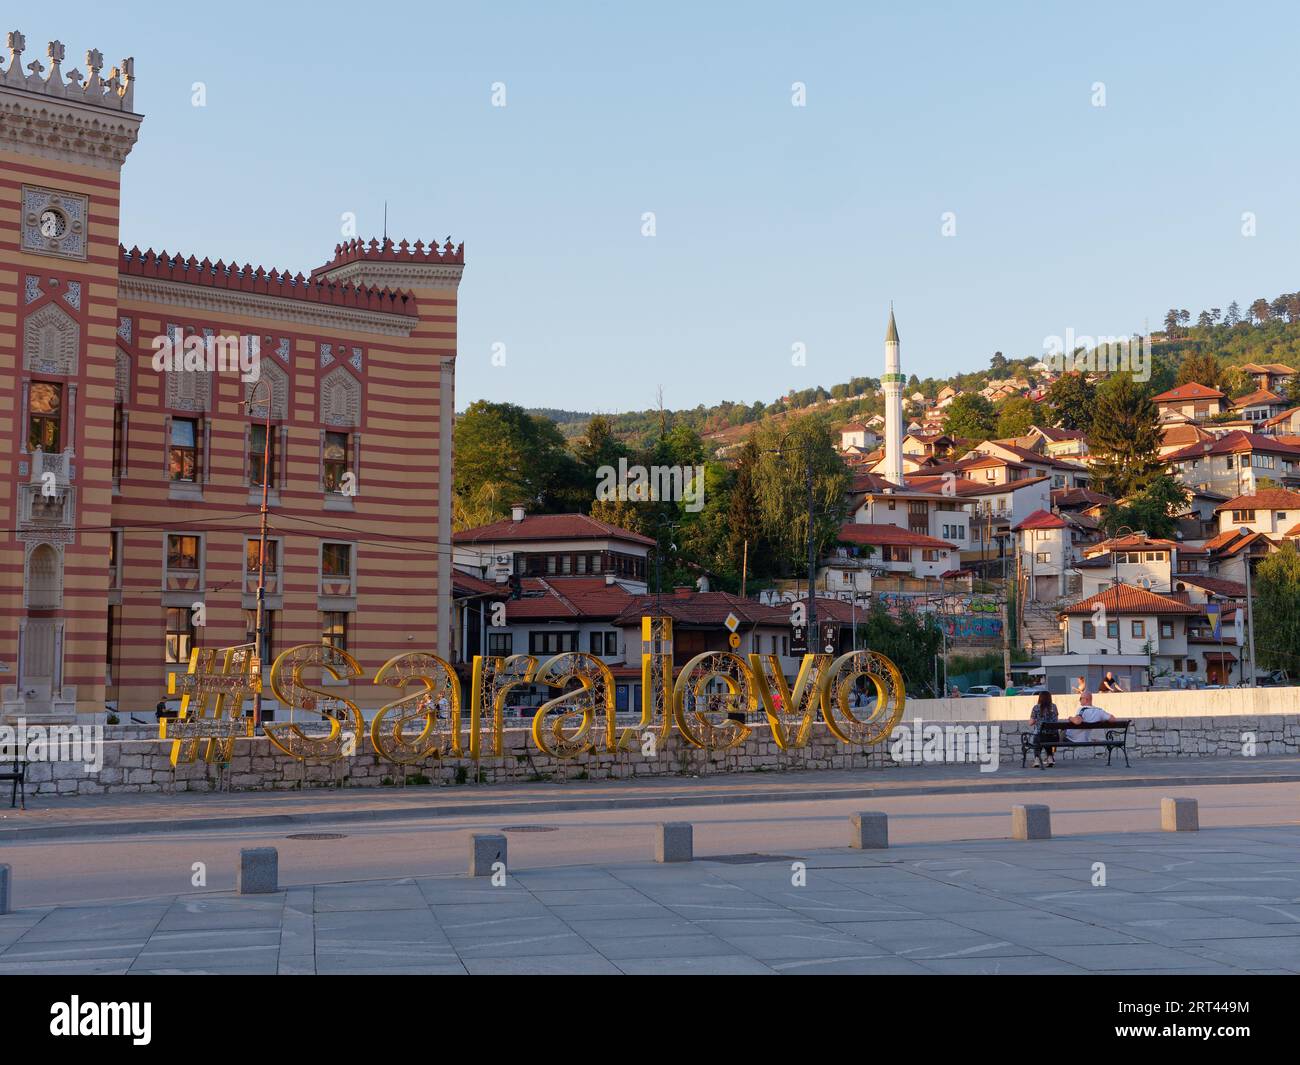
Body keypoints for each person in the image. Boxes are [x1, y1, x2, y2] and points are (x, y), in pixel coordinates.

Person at [1028, 690, 1058, 769]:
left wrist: (1036, 720)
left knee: (1038, 736)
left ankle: (1037, 760)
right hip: (1054, 737)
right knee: (1047, 738)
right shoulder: (1054, 707)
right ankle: (1050, 758)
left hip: (1040, 736)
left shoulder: (1036, 707)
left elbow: (1030, 723)